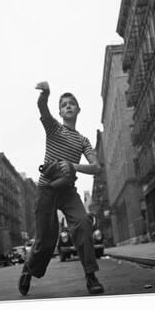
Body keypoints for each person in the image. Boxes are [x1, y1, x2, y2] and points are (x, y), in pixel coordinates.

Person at [18, 81, 104, 296]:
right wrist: (45, 94)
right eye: (63, 104)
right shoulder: (54, 128)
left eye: (71, 103)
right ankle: (29, 267)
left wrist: (73, 166)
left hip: (68, 192)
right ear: (60, 110)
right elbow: (42, 109)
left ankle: (91, 276)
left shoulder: (83, 140)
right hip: (47, 189)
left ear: (78, 109)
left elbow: (96, 167)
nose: (67, 106)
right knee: (46, 239)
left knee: (83, 223)